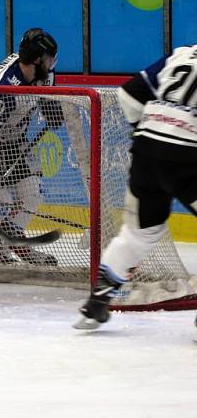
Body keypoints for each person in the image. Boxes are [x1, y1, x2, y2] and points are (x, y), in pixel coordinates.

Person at [75, 44, 197, 333]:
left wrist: (153, 133)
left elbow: (128, 93)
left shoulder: (183, 53)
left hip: (146, 152)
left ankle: (96, 304)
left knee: (138, 234)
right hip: (188, 155)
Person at [0, 27, 62, 266]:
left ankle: (2, 248)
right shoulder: (3, 89)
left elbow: (52, 111)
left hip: (12, 139)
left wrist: (51, 107)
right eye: (48, 58)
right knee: (0, 201)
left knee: (32, 193)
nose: (52, 64)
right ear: (37, 59)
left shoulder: (43, 72)